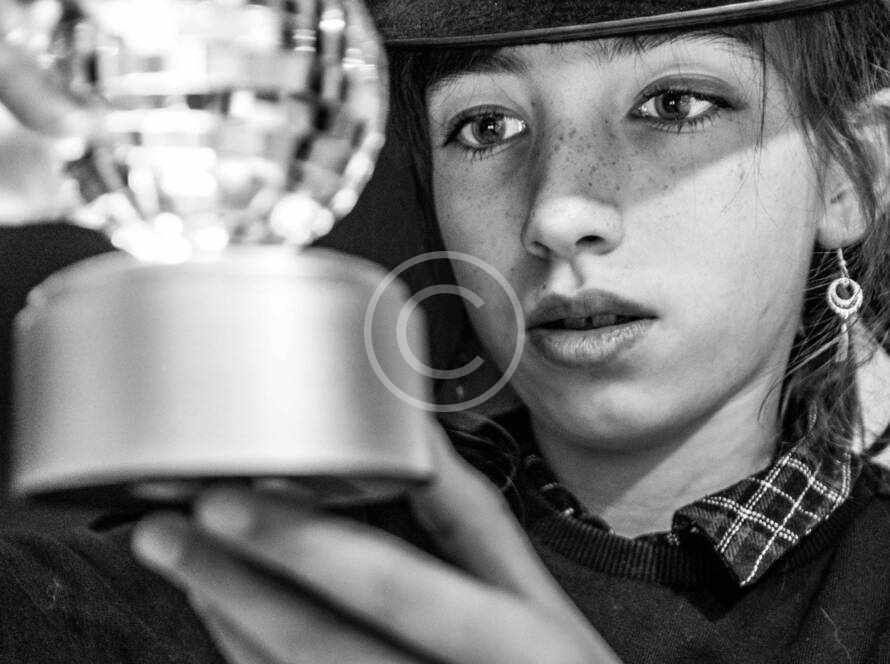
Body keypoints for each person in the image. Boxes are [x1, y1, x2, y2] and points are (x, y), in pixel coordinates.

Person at [2, 0, 890, 662]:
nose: (558, 212)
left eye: (675, 104)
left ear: (852, 177)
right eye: (486, 125)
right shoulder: (218, 574)